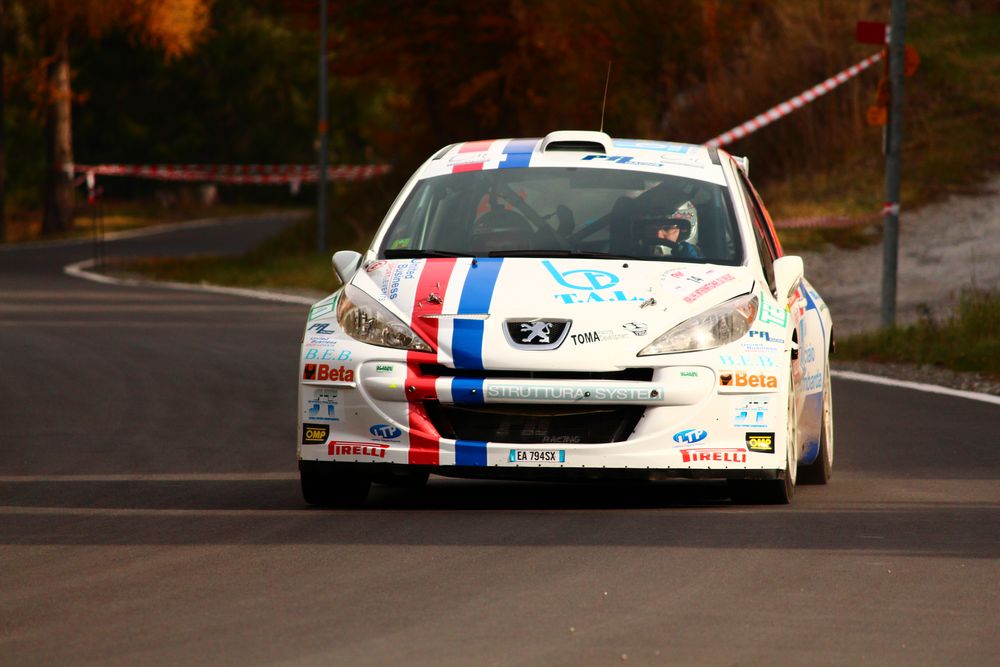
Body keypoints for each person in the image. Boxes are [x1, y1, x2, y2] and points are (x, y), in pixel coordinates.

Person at [635, 209, 701, 258]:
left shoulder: (686, 254)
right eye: (653, 228)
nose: (658, 235)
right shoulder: (633, 245)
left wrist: (683, 252)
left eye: (667, 229)